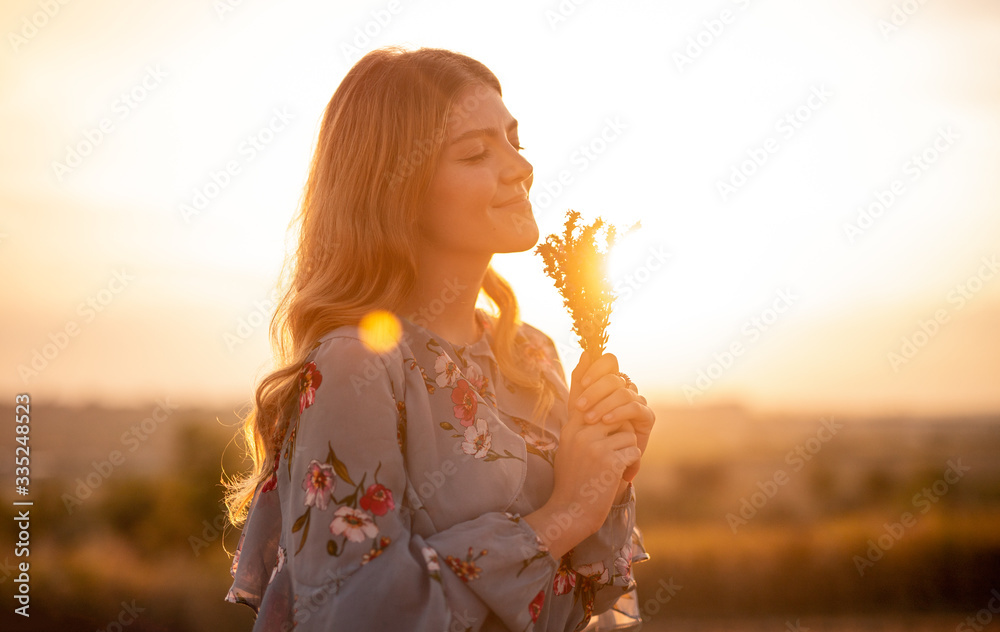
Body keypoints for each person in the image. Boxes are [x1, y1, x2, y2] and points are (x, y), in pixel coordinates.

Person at [223, 46, 657, 632]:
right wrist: (565, 513)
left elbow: (586, 596)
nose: (520, 167)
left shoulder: (532, 354)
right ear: (396, 188)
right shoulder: (359, 367)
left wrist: (608, 467)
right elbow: (357, 618)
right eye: (477, 152)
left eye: (514, 141)